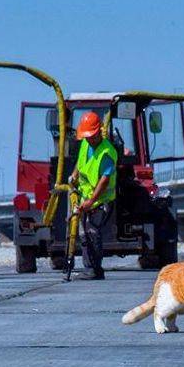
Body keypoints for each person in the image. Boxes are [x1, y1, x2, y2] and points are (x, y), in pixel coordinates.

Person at [69, 111, 118, 280]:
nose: (89, 138)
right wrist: (74, 174)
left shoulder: (107, 153)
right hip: (86, 196)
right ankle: (90, 268)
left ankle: (94, 269)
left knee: (91, 231)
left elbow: (104, 181)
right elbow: (80, 161)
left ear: (99, 132)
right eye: (86, 136)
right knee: (83, 233)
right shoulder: (85, 143)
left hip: (101, 200)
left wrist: (91, 201)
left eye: (91, 135)